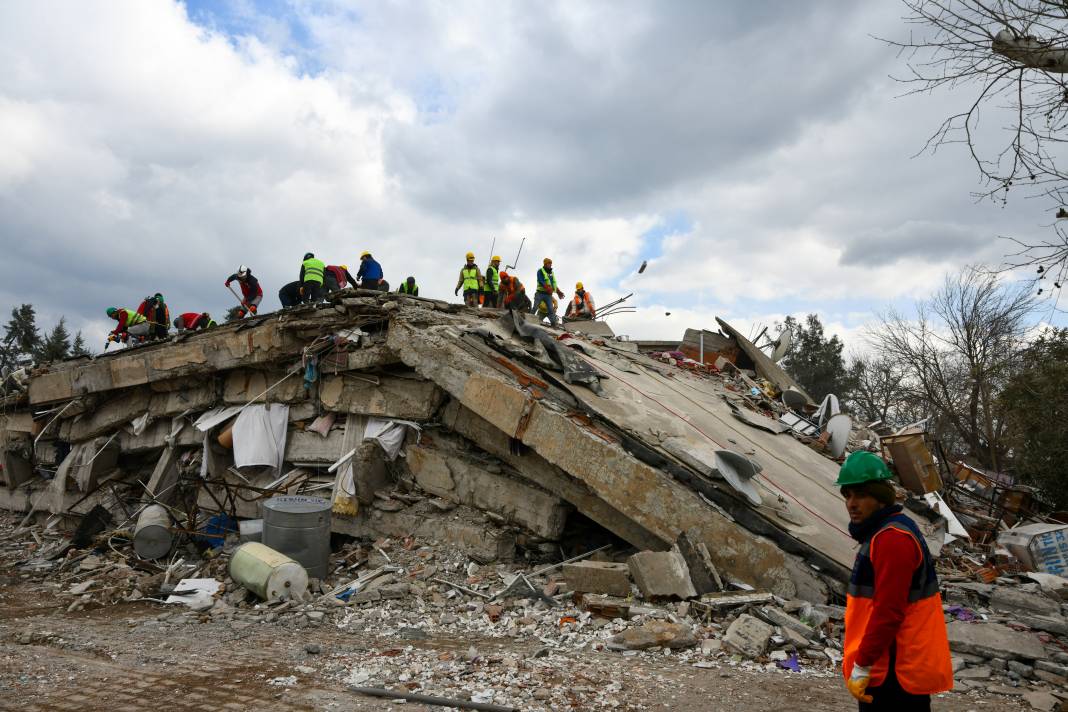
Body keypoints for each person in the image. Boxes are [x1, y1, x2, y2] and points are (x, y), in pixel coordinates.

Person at [838, 451, 952, 710]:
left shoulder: (892, 539)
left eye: (861, 495)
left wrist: (863, 664)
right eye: (848, 495)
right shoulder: (886, 531)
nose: (852, 504)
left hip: (894, 673)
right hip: (892, 668)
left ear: (881, 498)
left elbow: (888, 612)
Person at [532, 257, 565, 327]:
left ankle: (554, 324)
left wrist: (558, 292)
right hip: (540, 293)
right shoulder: (540, 271)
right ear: (545, 264)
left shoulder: (551, 273)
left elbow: (553, 284)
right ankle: (529, 318)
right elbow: (541, 280)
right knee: (535, 306)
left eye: (550, 263)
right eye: (549, 263)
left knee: (550, 309)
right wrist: (547, 287)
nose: (550, 265)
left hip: (548, 295)